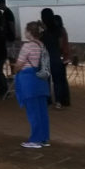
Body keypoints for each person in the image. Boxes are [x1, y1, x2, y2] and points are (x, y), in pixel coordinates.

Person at [14, 21, 50, 149]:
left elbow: (19, 64)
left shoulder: (28, 46)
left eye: (26, 30)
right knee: (42, 111)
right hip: (40, 80)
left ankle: (35, 140)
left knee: (33, 112)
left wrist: (15, 69)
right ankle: (44, 138)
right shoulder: (41, 45)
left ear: (29, 32)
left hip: (29, 81)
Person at [39, 8, 70, 108]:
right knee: (58, 81)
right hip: (56, 57)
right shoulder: (58, 30)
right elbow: (61, 45)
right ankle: (58, 102)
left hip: (45, 58)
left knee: (46, 81)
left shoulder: (43, 32)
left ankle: (47, 100)